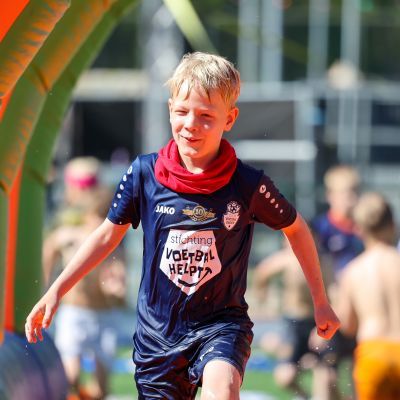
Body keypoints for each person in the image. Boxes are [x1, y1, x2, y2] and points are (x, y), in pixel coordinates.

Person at [25, 52, 339, 400]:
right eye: (182, 112)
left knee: (222, 388)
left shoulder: (248, 185)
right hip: (158, 335)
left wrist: (320, 301)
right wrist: (56, 291)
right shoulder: (144, 174)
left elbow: (296, 228)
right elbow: (106, 236)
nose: (191, 124)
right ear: (170, 109)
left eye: (206, 116)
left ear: (229, 118)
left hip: (221, 324)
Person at [43, 181, 127, 400]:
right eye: (98, 218)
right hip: (75, 313)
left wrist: (116, 288)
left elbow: (118, 278)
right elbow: (51, 246)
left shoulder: (114, 246)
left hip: (104, 316)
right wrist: (47, 282)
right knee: (70, 375)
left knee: (101, 388)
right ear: (88, 216)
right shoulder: (71, 236)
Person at [336, 192, 400, 400]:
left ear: (358, 229)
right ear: (393, 224)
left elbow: (348, 326)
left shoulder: (353, 271)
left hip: (373, 353)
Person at [310, 165, 363, 400]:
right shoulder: (320, 229)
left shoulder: (365, 229)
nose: (352, 200)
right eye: (346, 193)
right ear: (330, 195)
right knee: (326, 376)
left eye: (355, 192)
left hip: (359, 313)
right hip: (330, 310)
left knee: (358, 377)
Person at [253, 236, 315, 399]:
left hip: (316, 323)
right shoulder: (286, 259)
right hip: (293, 323)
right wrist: (262, 297)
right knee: (285, 377)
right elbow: (262, 272)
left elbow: (333, 291)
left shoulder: (319, 259)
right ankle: (305, 396)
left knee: (326, 374)